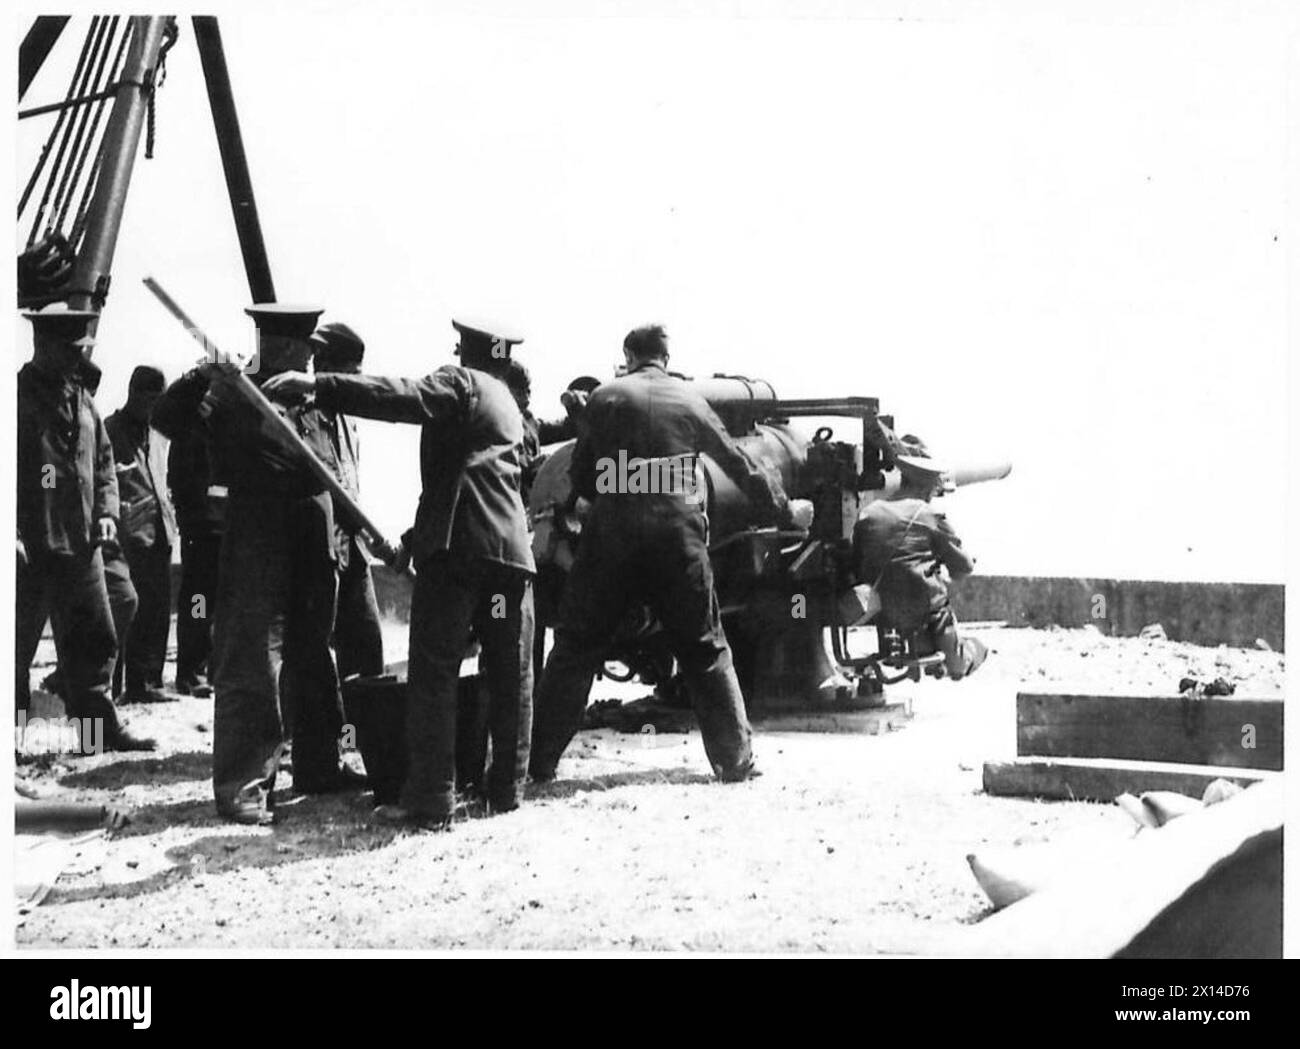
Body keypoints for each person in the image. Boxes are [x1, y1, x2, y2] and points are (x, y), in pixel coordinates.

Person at [262, 316, 535, 830]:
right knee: (510, 671)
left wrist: (320, 386)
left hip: (457, 554)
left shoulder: (461, 381)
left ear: (464, 350)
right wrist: (411, 541)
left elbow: (403, 396)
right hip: (509, 556)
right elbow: (473, 474)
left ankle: (432, 799)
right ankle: (507, 790)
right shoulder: (509, 405)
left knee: (434, 673)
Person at [528, 324, 805, 783]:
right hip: (677, 536)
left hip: (612, 535)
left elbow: (582, 476)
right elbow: (738, 462)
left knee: (576, 647)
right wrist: (783, 508)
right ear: (665, 358)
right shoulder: (690, 399)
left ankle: (537, 764)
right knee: (705, 647)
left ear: (628, 356)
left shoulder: (605, 398)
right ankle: (735, 761)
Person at [152, 304, 361, 824]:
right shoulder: (234, 391)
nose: (307, 359)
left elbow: (333, 466)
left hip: (314, 528)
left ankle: (319, 763)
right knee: (251, 655)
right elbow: (167, 419)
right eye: (300, 349)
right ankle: (244, 785)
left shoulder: (314, 397)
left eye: (310, 351)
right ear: (275, 346)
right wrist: (203, 374)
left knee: (314, 650)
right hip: (257, 526)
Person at [15, 306, 154, 752]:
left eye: (81, 350)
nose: (78, 358)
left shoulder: (81, 398)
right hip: (30, 547)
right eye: (71, 350)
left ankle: (96, 736)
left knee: (95, 642)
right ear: (44, 346)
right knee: (13, 649)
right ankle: (12, 748)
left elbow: (105, 464)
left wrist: (107, 512)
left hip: (81, 543)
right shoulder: (15, 398)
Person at [852, 455, 988, 679]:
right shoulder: (928, 515)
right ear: (929, 488)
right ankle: (968, 653)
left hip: (879, 607)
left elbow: (858, 561)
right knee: (962, 664)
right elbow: (962, 568)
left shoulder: (870, 513)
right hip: (925, 610)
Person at [310, 322, 384, 681]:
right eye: (349, 374)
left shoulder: (348, 418)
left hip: (355, 548)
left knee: (367, 650)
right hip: (319, 549)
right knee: (315, 652)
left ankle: (360, 735)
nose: (355, 384)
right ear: (324, 366)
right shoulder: (302, 413)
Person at [105, 366, 180, 704]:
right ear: (135, 394)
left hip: (160, 530)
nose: (155, 408)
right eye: (151, 400)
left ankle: (148, 683)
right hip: (128, 535)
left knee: (157, 610)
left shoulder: (159, 434)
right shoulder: (110, 431)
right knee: (125, 610)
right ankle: (116, 686)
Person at [167, 423, 224, 697]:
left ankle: (209, 668)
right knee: (198, 602)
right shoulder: (191, 427)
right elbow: (180, 481)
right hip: (202, 531)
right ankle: (192, 670)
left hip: (224, 528)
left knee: (215, 603)